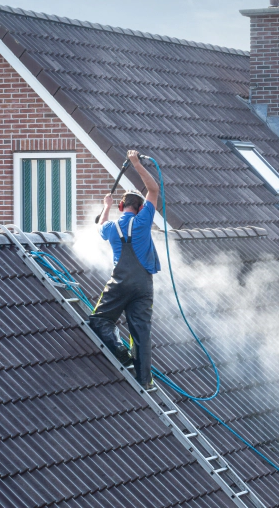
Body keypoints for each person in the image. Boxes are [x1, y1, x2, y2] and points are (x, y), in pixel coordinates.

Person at [89, 150, 160, 389]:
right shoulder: (143, 221)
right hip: (143, 286)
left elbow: (99, 225)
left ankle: (120, 351)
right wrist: (136, 164)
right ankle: (145, 380)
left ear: (122, 206)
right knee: (141, 332)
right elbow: (153, 190)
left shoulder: (110, 227)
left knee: (100, 320)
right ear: (141, 209)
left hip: (119, 283)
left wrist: (105, 206)